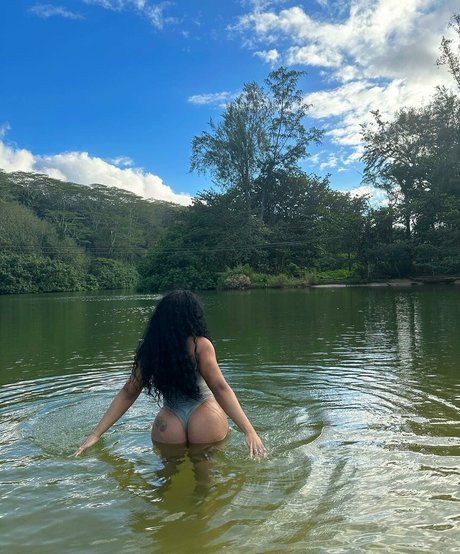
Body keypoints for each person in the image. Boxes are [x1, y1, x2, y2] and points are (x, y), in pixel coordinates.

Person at [74, 289, 266, 459]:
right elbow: (220, 388)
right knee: (205, 482)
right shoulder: (200, 345)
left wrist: (96, 434)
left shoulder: (150, 348)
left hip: (169, 423)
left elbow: (129, 392)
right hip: (206, 416)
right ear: (193, 317)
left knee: (167, 482)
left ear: (160, 319)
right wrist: (249, 431)